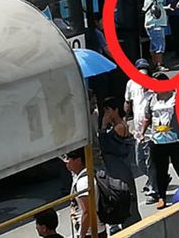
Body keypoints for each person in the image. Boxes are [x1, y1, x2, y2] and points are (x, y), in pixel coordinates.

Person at [142, 72, 179, 209]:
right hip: (158, 141)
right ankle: (161, 197)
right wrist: (142, 133)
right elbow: (148, 118)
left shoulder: (177, 98)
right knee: (160, 170)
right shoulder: (151, 99)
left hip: (177, 140)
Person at [98, 97, 142, 229]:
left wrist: (103, 126)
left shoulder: (119, 127)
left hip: (120, 169)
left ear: (115, 110)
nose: (106, 114)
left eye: (108, 110)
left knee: (125, 197)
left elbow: (105, 145)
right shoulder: (118, 126)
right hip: (116, 169)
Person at [124, 58, 158, 204]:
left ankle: (153, 189)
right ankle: (156, 178)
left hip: (151, 133)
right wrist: (125, 119)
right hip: (138, 132)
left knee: (150, 162)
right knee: (140, 163)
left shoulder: (154, 91)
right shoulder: (131, 84)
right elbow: (127, 102)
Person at [63, 148, 107, 238]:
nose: (65, 161)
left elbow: (87, 212)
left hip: (91, 233)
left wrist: (81, 235)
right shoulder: (83, 175)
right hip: (93, 231)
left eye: (68, 158)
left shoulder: (83, 182)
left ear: (78, 160)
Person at [142, 0, 179, 71]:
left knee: (153, 46)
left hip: (150, 25)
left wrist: (166, 7)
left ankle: (155, 64)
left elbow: (155, 8)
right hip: (156, 25)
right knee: (159, 46)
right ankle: (159, 65)